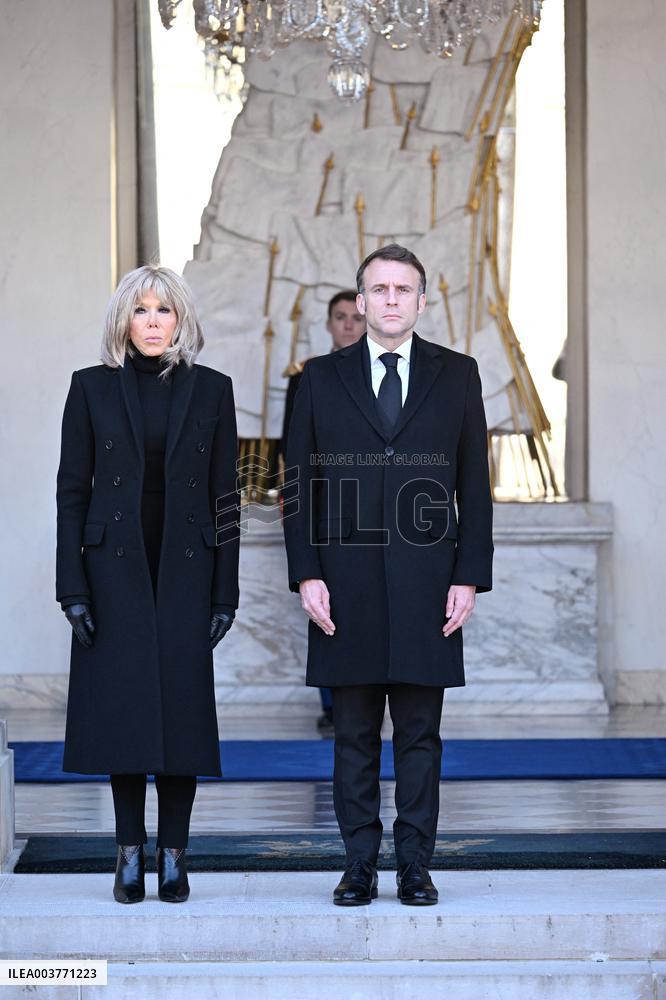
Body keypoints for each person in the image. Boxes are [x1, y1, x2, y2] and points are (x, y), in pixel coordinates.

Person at [283, 245, 493, 906]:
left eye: (404, 289)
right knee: (351, 735)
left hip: (430, 585)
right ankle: (358, 866)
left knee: (421, 736)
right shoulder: (318, 377)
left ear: (422, 301)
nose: (392, 299)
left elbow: (474, 486)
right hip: (344, 588)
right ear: (361, 300)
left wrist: (470, 575)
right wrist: (305, 574)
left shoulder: (459, 375)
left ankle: (415, 866)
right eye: (380, 289)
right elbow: (296, 486)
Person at [56, 265, 240, 904]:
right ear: (124, 320)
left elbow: (226, 496)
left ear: (181, 319)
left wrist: (226, 593)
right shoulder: (90, 389)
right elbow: (71, 492)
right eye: (142, 310)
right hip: (113, 575)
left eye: (164, 310)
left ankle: (175, 855)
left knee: (182, 716)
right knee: (125, 713)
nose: (154, 321)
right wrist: (71, 588)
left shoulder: (213, 390)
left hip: (187, 571)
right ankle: (129, 851)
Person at [281, 290, 366, 733]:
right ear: (329, 324)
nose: (349, 325)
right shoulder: (309, 376)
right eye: (340, 317)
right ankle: (333, 707)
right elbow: (292, 448)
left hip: (375, 517)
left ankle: (370, 703)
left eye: (355, 316)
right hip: (325, 512)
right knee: (326, 612)